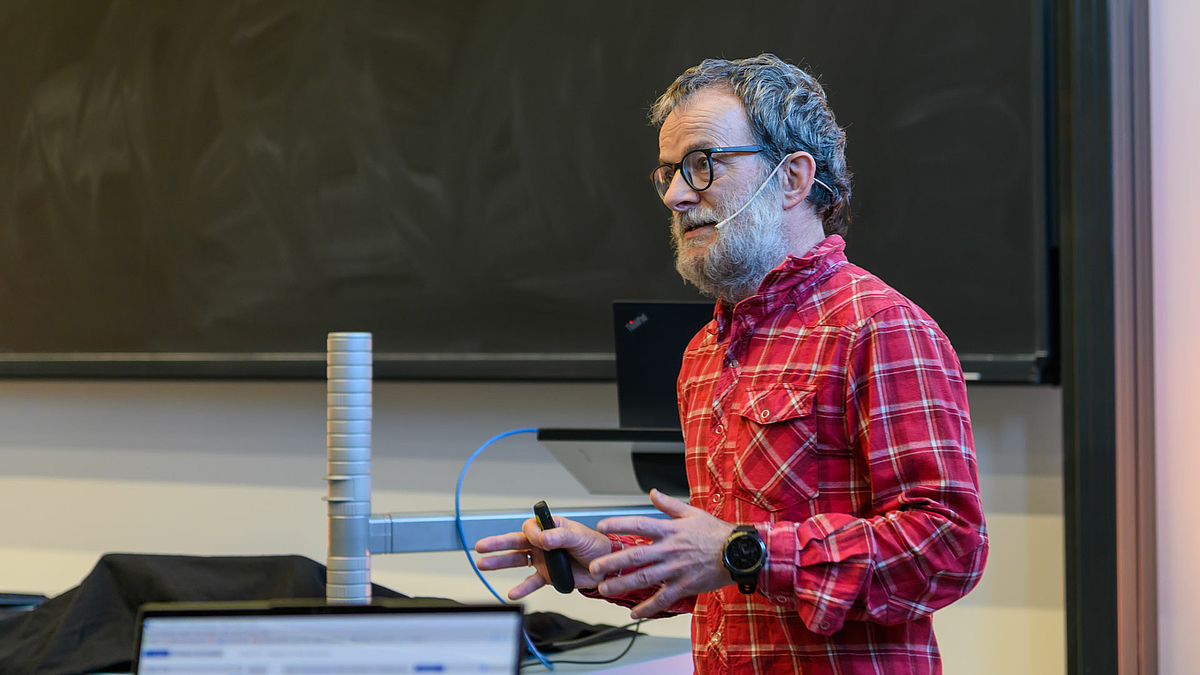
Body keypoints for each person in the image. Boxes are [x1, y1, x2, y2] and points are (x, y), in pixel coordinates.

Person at [476, 54, 987, 674]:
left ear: (794, 178)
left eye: (703, 165)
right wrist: (609, 559)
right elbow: (716, 561)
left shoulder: (879, 328)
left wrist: (746, 553)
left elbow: (949, 546)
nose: (675, 195)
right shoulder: (705, 351)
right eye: (666, 173)